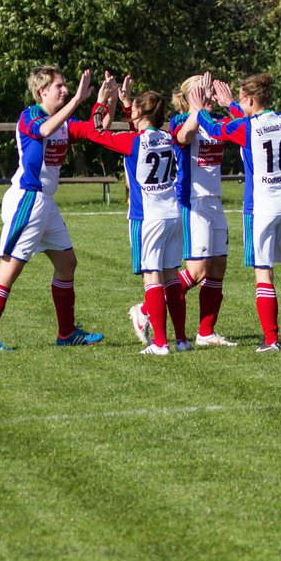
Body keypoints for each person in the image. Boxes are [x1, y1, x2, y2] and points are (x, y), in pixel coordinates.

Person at [0, 65, 106, 351]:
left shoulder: (63, 121)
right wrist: (77, 100)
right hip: (28, 200)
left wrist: (106, 101)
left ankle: (67, 333)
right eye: (60, 86)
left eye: (66, 86)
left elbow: (97, 130)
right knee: (8, 270)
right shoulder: (31, 115)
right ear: (42, 91)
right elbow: (44, 130)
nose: (66, 89)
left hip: (45, 202)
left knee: (67, 264)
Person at [196, 73, 281, 352]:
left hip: (262, 206)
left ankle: (271, 340)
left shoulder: (247, 128)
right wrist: (231, 104)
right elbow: (245, 120)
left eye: (242, 99)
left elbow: (217, 129)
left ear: (250, 100)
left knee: (263, 273)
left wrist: (199, 109)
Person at [88, 78, 206, 354]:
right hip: (172, 213)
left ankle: (160, 343)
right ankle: (181, 340)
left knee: (151, 279)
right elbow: (145, 131)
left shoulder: (132, 142)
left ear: (139, 113)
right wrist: (129, 104)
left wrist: (101, 102)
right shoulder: (166, 137)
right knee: (172, 277)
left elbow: (95, 133)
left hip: (147, 216)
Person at [130, 75, 239, 348]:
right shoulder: (181, 120)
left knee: (217, 269)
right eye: (204, 92)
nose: (210, 96)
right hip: (192, 203)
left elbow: (244, 128)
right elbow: (184, 136)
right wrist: (197, 110)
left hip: (214, 202)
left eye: (211, 91)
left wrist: (232, 104)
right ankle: (145, 309)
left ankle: (205, 332)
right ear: (191, 96)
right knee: (197, 270)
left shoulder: (217, 122)